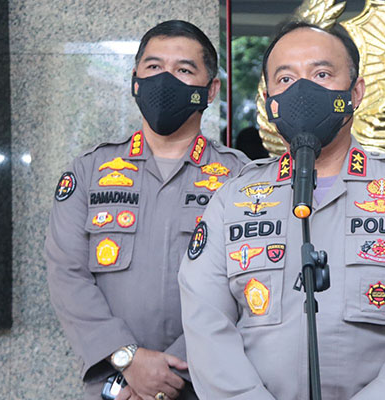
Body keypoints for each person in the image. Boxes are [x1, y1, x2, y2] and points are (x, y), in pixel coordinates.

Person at [178, 22, 385, 399]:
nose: (302, 91)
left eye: (321, 74)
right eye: (285, 78)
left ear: (356, 92)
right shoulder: (232, 199)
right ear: (268, 100)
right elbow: (206, 324)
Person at [46, 20, 249, 400]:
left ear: (211, 89)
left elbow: (253, 282)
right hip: (116, 386)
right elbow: (67, 275)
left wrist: (171, 370)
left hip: (210, 383)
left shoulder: (242, 179)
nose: (165, 80)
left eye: (184, 70)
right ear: (135, 80)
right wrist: (128, 359)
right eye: (154, 67)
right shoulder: (89, 171)